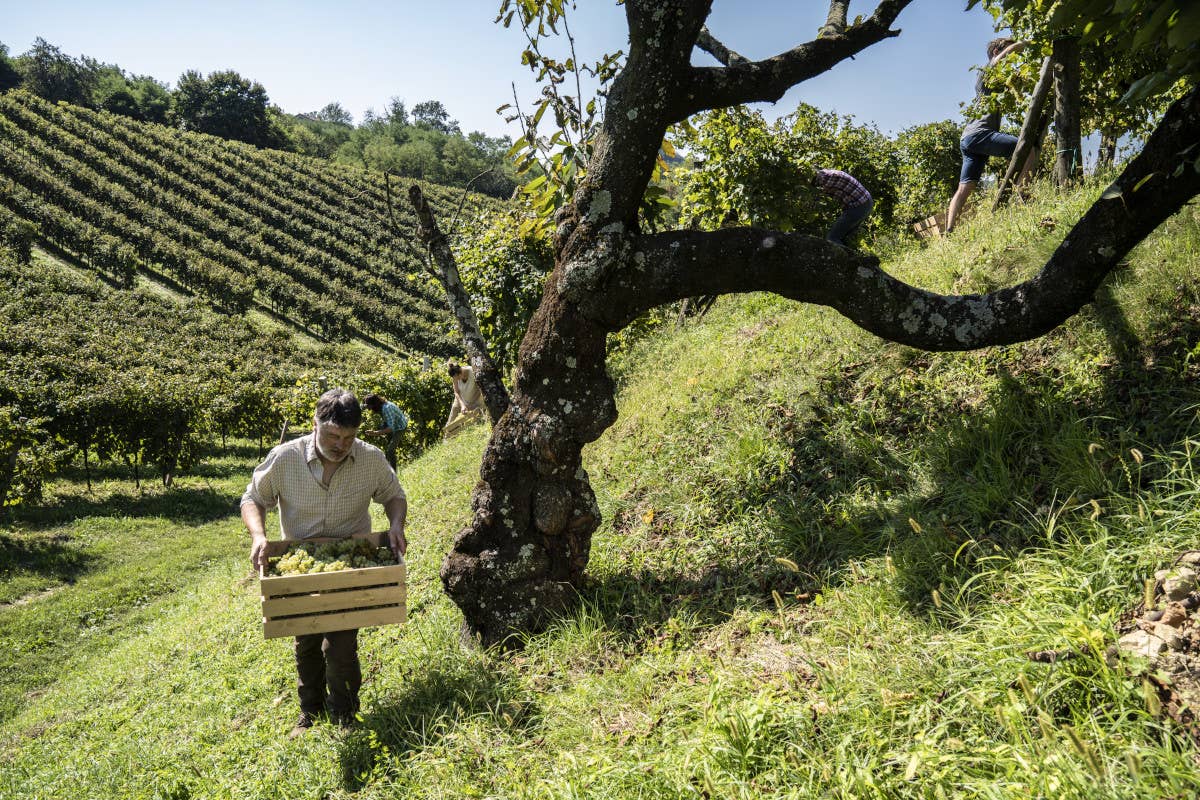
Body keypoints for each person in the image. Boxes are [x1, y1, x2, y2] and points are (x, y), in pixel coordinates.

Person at [241, 388, 408, 738]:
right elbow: (253, 498)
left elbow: (394, 495)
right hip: (302, 567)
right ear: (314, 424)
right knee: (306, 642)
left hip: (349, 565)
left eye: (349, 437)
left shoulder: (370, 459)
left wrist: (395, 525)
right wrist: (259, 536)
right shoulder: (285, 458)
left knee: (341, 645)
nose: (341, 444)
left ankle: (345, 715)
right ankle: (310, 712)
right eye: (333, 435)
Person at [946, 38, 1037, 233]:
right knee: (1027, 148)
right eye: (1004, 52)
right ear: (996, 51)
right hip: (980, 134)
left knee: (965, 187)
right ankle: (1024, 197)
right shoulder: (987, 70)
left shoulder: (997, 80)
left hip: (968, 138)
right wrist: (1027, 42)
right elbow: (1006, 54)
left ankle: (949, 231)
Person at [811, 167, 874, 246]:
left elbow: (817, 197)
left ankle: (841, 257)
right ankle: (848, 256)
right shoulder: (827, 173)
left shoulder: (825, 181)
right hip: (865, 202)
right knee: (843, 237)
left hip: (859, 206)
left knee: (832, 238)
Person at [362, 393, 407, 471]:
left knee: (390, 451)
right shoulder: (380, 406)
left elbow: (391, 428)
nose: (369, 408)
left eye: (369, 406)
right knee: (388, 450)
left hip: (399, 427)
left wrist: (375, 433)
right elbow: (363, 406)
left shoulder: (387, 408)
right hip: (391, 425)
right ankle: (387, 470)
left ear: (374, 404)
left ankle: (393, 473)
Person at [443, 361, 485, 438]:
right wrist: (462, 405)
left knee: (479, 418)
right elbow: (456, 392)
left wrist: (473, 402)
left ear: (461, 371)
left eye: (458, 378)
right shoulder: (455, 376)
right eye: (456, 379)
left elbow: (480, 388)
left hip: (475, 399)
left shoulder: (473, 371)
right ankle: (446, 438)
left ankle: (477, 436)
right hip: (460, 400)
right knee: (452, 416)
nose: (458, 380)